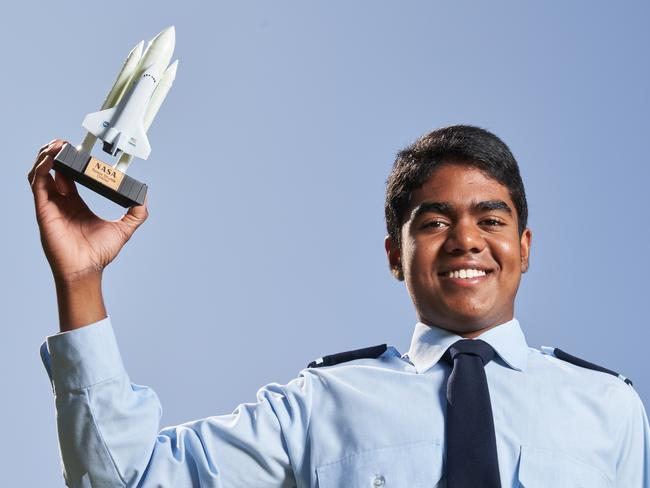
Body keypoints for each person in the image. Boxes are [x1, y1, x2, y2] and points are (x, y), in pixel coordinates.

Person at [30, 126, 650, 487]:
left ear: (524, 247)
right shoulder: (321, 404)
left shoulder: (610, 410)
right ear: (393, 254)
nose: (467, 240)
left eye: (491, 219)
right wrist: (81, 282)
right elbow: (126, 479)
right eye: (435, 222)